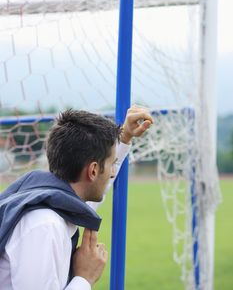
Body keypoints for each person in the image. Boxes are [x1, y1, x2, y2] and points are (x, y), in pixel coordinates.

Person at [0, 105, 153, 290]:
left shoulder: (48, 198)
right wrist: (85, 278)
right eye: (111, 164)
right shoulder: (45, 225)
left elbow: (94, 186)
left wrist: (125, 138)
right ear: (93, 170)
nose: (113, 173)